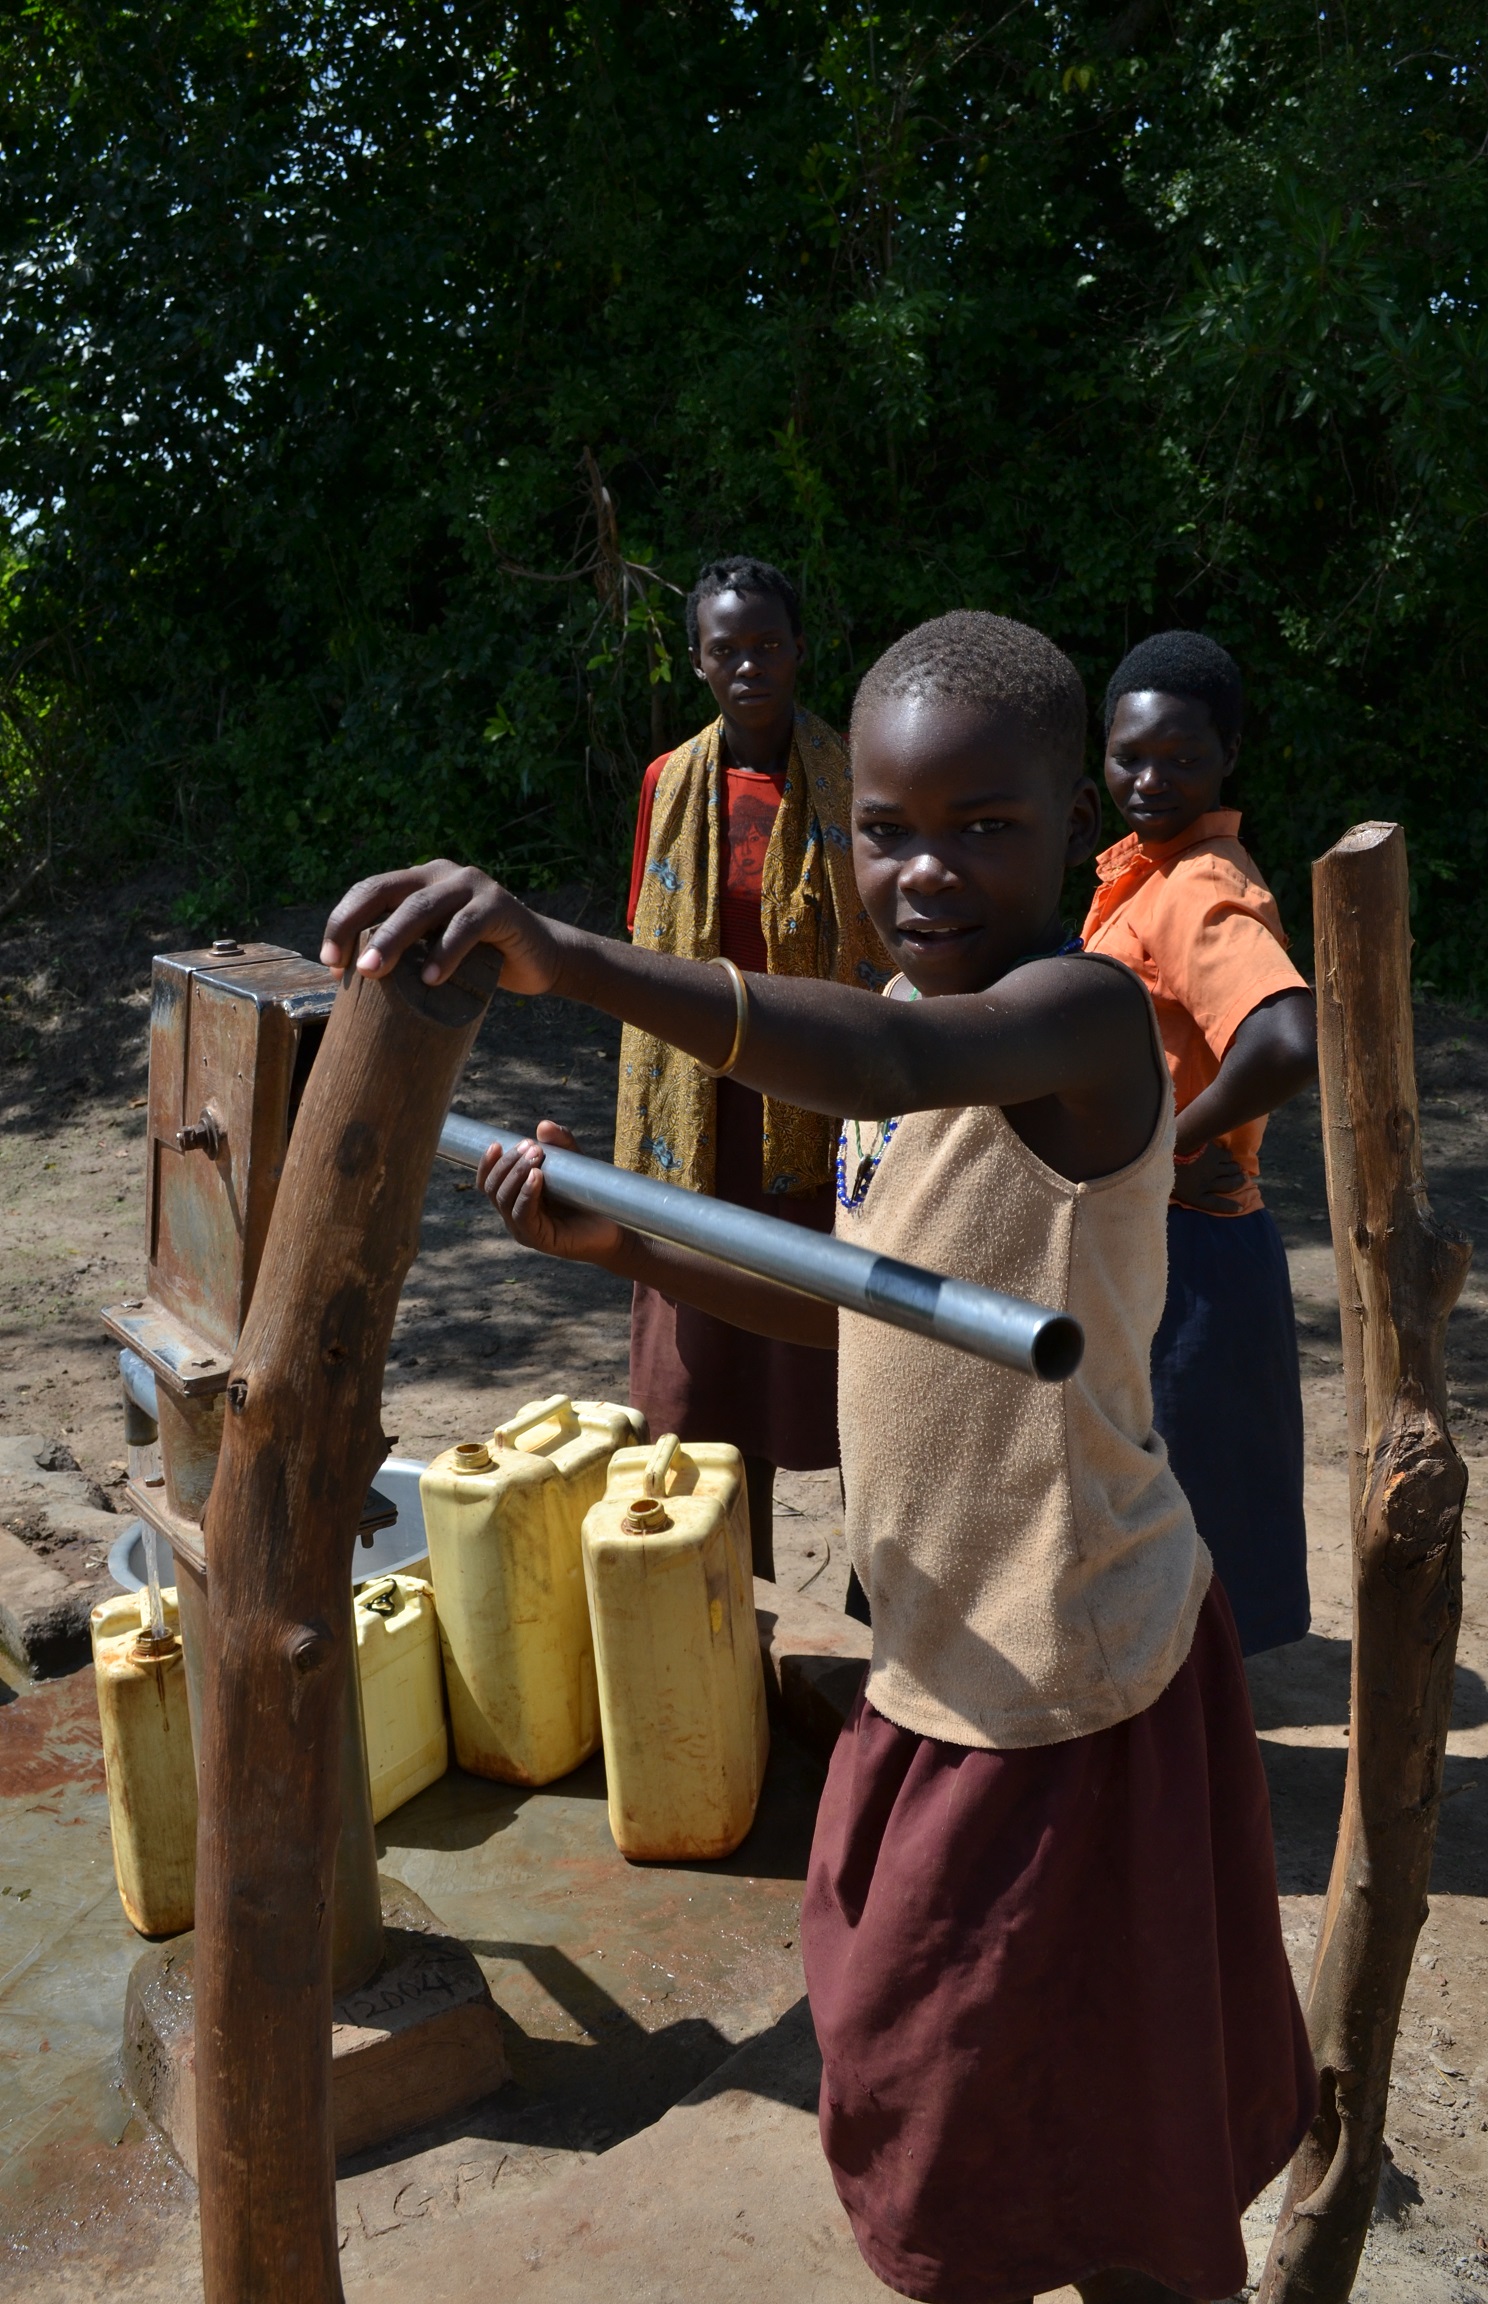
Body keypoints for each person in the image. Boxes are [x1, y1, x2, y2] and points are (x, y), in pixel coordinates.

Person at [322, 607, 1315, 2304]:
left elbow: (892, 1053)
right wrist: (619, 1246)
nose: (927, 869)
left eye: (984, 826)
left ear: (1076, 825)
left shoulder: (1072, 1017)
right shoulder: (884, 1029)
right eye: (887, 828)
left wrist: (563, 952)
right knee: (955, 2078)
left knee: (1080, 2109)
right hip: (931, 1653)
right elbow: (859, 1309)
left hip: (1073, 1665)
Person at [620, 554, 888, 1581]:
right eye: (725, 649)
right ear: (697, 662)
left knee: (847, 1378)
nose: (748, 666)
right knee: (711, 1394)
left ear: (799, 651)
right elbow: (645, 943)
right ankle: (741, 1605)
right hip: (699, 1123)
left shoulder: (853, 773)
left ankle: (876, 1621)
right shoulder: (670, 783)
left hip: (821, 1117)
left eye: (766, 645)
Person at [1083, 631, 1316, 1656]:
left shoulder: (1197, 889)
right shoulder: (1149, 872)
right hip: (1165, 1241)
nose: (1149, 779)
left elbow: (1283, 1038)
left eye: (1181, 759)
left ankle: (1197, 1789)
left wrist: (1170, 1144)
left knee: (1183, 1521)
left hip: (1189, 1251)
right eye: (1130, 755)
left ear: (1227, 757)